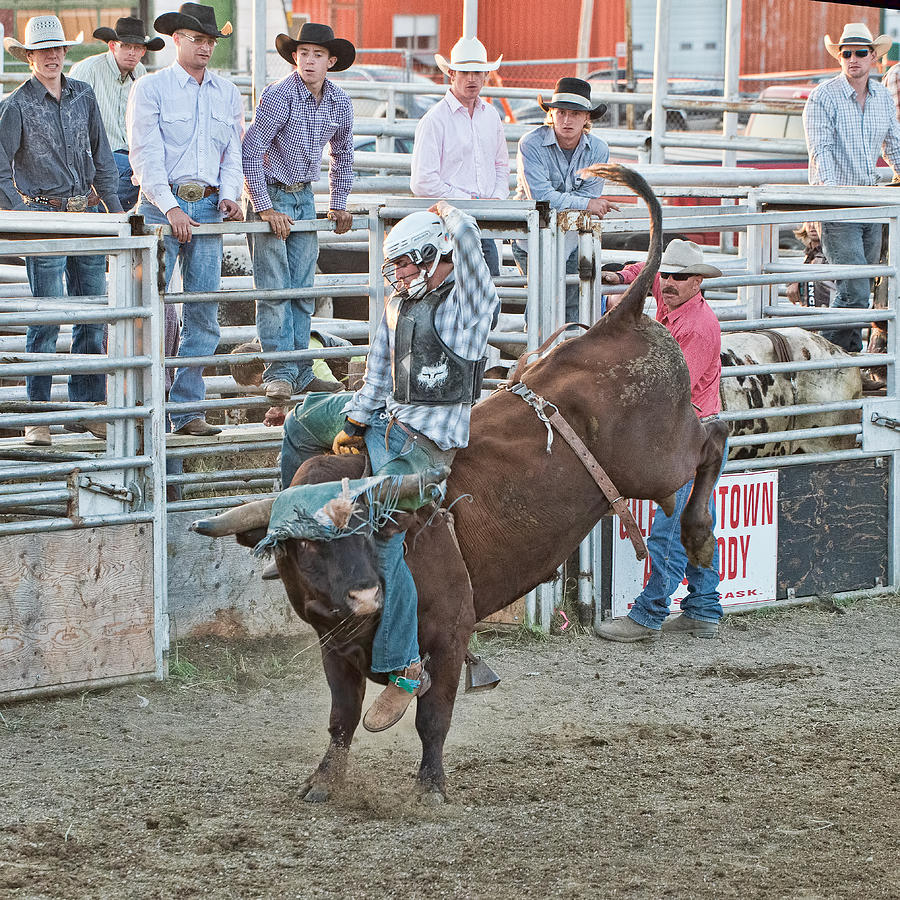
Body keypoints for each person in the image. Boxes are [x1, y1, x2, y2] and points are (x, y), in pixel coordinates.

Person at [278, 202, 499, 730]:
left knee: (385, 535)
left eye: (405, 263)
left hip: (422, 449)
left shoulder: (465, 308)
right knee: (299, 423)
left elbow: (476, 267)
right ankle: (294, 523)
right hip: (384, 420)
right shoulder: (399, 304)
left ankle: (404, 666)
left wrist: (450, 212)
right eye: (393, 264)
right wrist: (353, 423)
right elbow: (379, 370)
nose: (397, 273)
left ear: (434, 256)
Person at [0, 15, 123, 447]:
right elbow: (0, 167)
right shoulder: (14, 105)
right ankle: (37, 415)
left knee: (91, 316)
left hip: (86, 214)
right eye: (43, 50)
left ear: (65, 53)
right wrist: (22, 215)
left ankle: (85, 409)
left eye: (58, 49)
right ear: (29, 56)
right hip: (45, 217)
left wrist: (116, 212)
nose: (52, 56)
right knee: (48, 318)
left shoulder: (83, 95)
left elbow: (102, 156)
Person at [596, 240, 726, 641]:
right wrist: (620, 276)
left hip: (687, 433)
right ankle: (704, 608)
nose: (668, 282)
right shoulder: (670, 294)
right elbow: (643, 271)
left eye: (679, 276)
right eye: (665, 275)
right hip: (697, 432)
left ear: (697, 282)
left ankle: (648, 615)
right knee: (694, 523)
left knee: (669, 530)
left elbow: (673, 386)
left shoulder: (700, 328)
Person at [127, 2, 244, 437]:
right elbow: (144, 152)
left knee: (203, 314)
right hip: (162, 206)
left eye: (210, 41)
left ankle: (187, 409)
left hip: (209, 206)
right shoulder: (153, 89)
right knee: (146, 311)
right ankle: (140, 408)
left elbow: (234, 151)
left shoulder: (227, 92)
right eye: (197, 39)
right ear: (176, 39)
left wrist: (231, 195)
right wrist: (170, 206)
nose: (205, 47)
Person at [241, 23, 354, 404]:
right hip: (271, 191)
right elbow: (251, 147)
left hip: (304, 195)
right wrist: (264, 206)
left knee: (303, 288)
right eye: (303, 53)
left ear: (331, 61)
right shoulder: (278, 95)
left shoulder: (340, 102)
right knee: (275, 289)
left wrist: (338, 201)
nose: (309, 60)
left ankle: (301, 369)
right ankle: (280, 372)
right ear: (294, 56)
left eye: (318, 54)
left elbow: (344, 154)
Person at [803, 22, 900, 352]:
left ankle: (848, 360)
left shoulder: (883, 97)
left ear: (873, 56)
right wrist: (833, 195)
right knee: (856, 287)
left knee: (859, 286)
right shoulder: (823, 97)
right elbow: (821, 150)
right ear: (839, 57)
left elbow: (894, 145)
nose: (853, 58)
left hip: (870, 202)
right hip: (839, 205)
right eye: (846, 53)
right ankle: (820, 361)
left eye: (860, 52)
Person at [514, 76, 619, 324]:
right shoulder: (531, 143)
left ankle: (564, 358)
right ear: (551, 114)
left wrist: (583, 203)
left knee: (573, 299)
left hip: (572, 237)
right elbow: (541, 198)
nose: (566, 120)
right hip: (533, 237)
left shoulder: (599, 149)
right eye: (560, 112)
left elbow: (582, 196)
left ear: (587, 118)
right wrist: (586, 204)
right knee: (542, 298)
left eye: (575, 113)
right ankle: (538, 357)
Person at [410, 35, 509, 276]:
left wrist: (495, 199)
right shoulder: (435, 120)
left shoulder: (491, 116)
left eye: (477, 72)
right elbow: (422, 181)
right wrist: (468, 201)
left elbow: (501, 165)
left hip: (483, 224)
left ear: (486, 76)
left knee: (490, 296)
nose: (472, 79)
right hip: (447, 229)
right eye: (465, 72)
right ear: (452, 74)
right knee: (451, 298)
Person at [69, 17, 164, 211]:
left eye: (137, 48)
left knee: (158, 173)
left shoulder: (140, 71)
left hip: (128, 157)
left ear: (144, 51)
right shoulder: (88, 70)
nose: (132, 52)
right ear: (113, 46)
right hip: (98, 157)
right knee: (146, 179)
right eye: (126, 46)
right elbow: (71, 119)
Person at [786, 222, 835, 308]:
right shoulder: (809, 253)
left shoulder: (832, 253)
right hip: (811, 313)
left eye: (818, 222)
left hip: (828, 314)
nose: (813, 225)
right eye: (809, 221)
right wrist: (795, 281)